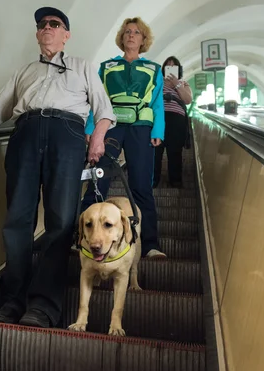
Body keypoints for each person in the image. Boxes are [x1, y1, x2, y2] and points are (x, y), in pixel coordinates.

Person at [0, 7, 116, 328]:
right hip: (25, 133)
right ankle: (12, 301)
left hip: (67, 135)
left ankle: (43, 306)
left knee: (61, 221)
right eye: (41, 25)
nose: (47, 28)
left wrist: (98, 140)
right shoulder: (24, 72)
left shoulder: (83, 67)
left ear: (66, 35)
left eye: (55, 24)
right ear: (37, 35)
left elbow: (104, 111)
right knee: (17, 219)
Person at [81, 17, 166, 259]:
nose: (131, 35)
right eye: (127, 31)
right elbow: (95, 100)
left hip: (141, 128)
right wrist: (91, 127)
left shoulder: (153, 69)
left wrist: (157, 131)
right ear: (122, 37)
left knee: (141, 186)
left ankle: (149, 245)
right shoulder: (106, 67)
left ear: (143, 39)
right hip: (111, 127)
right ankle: (83, 240)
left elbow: (157, 102)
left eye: (137, 32)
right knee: (99, 180)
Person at [153, 56, 193, 188]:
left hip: (177, 119)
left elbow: (187, 100)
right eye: (168, 66)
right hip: (159, 117)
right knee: (156, 150)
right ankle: (154, 179)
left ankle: (175, 180)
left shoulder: (183, 83)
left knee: (175, 150)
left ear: (178, 69)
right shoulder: (157, 81)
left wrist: (176, 84)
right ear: (163, 69)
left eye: (173, 66)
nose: (170, 68)